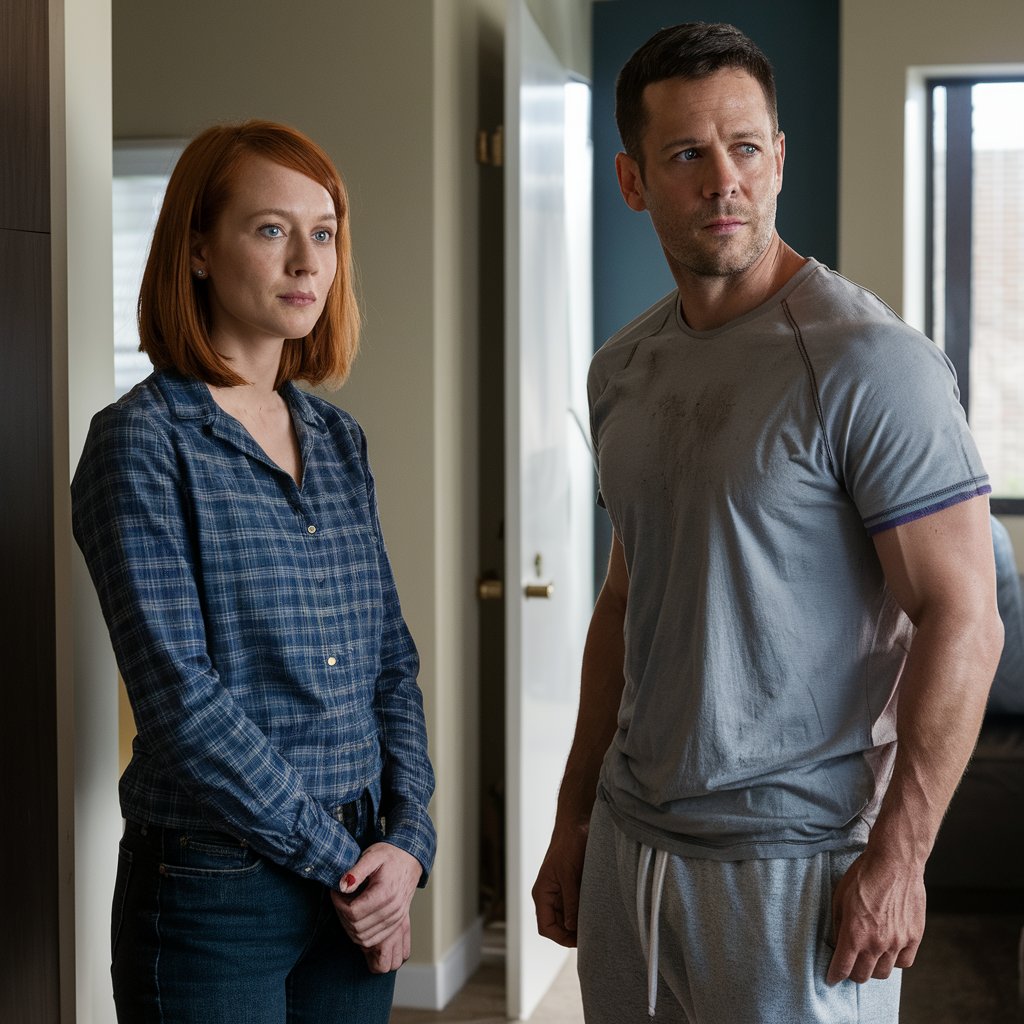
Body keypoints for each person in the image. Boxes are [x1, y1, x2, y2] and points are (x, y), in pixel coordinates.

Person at [532, 23, 1003, 1024]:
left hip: (795, 868)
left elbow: (964, 614)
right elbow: (626, 600)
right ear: (631, 179)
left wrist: (901, 855)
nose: (722, 181)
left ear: (778, 158)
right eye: (685, 154)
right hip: (631, 849)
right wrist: (572, 818)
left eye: (745, 147)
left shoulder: (870, 363)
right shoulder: (620, 370)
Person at [72, 120, 435, 1024]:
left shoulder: (337, 440)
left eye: (324, 232)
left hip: (359, 863)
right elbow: (180, 703)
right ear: (197, 249)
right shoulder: (141, 444)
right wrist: (344, 865)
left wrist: (407, 842)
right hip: (213, 886)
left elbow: (389, 656)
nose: (308, 261)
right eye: (272, 229)